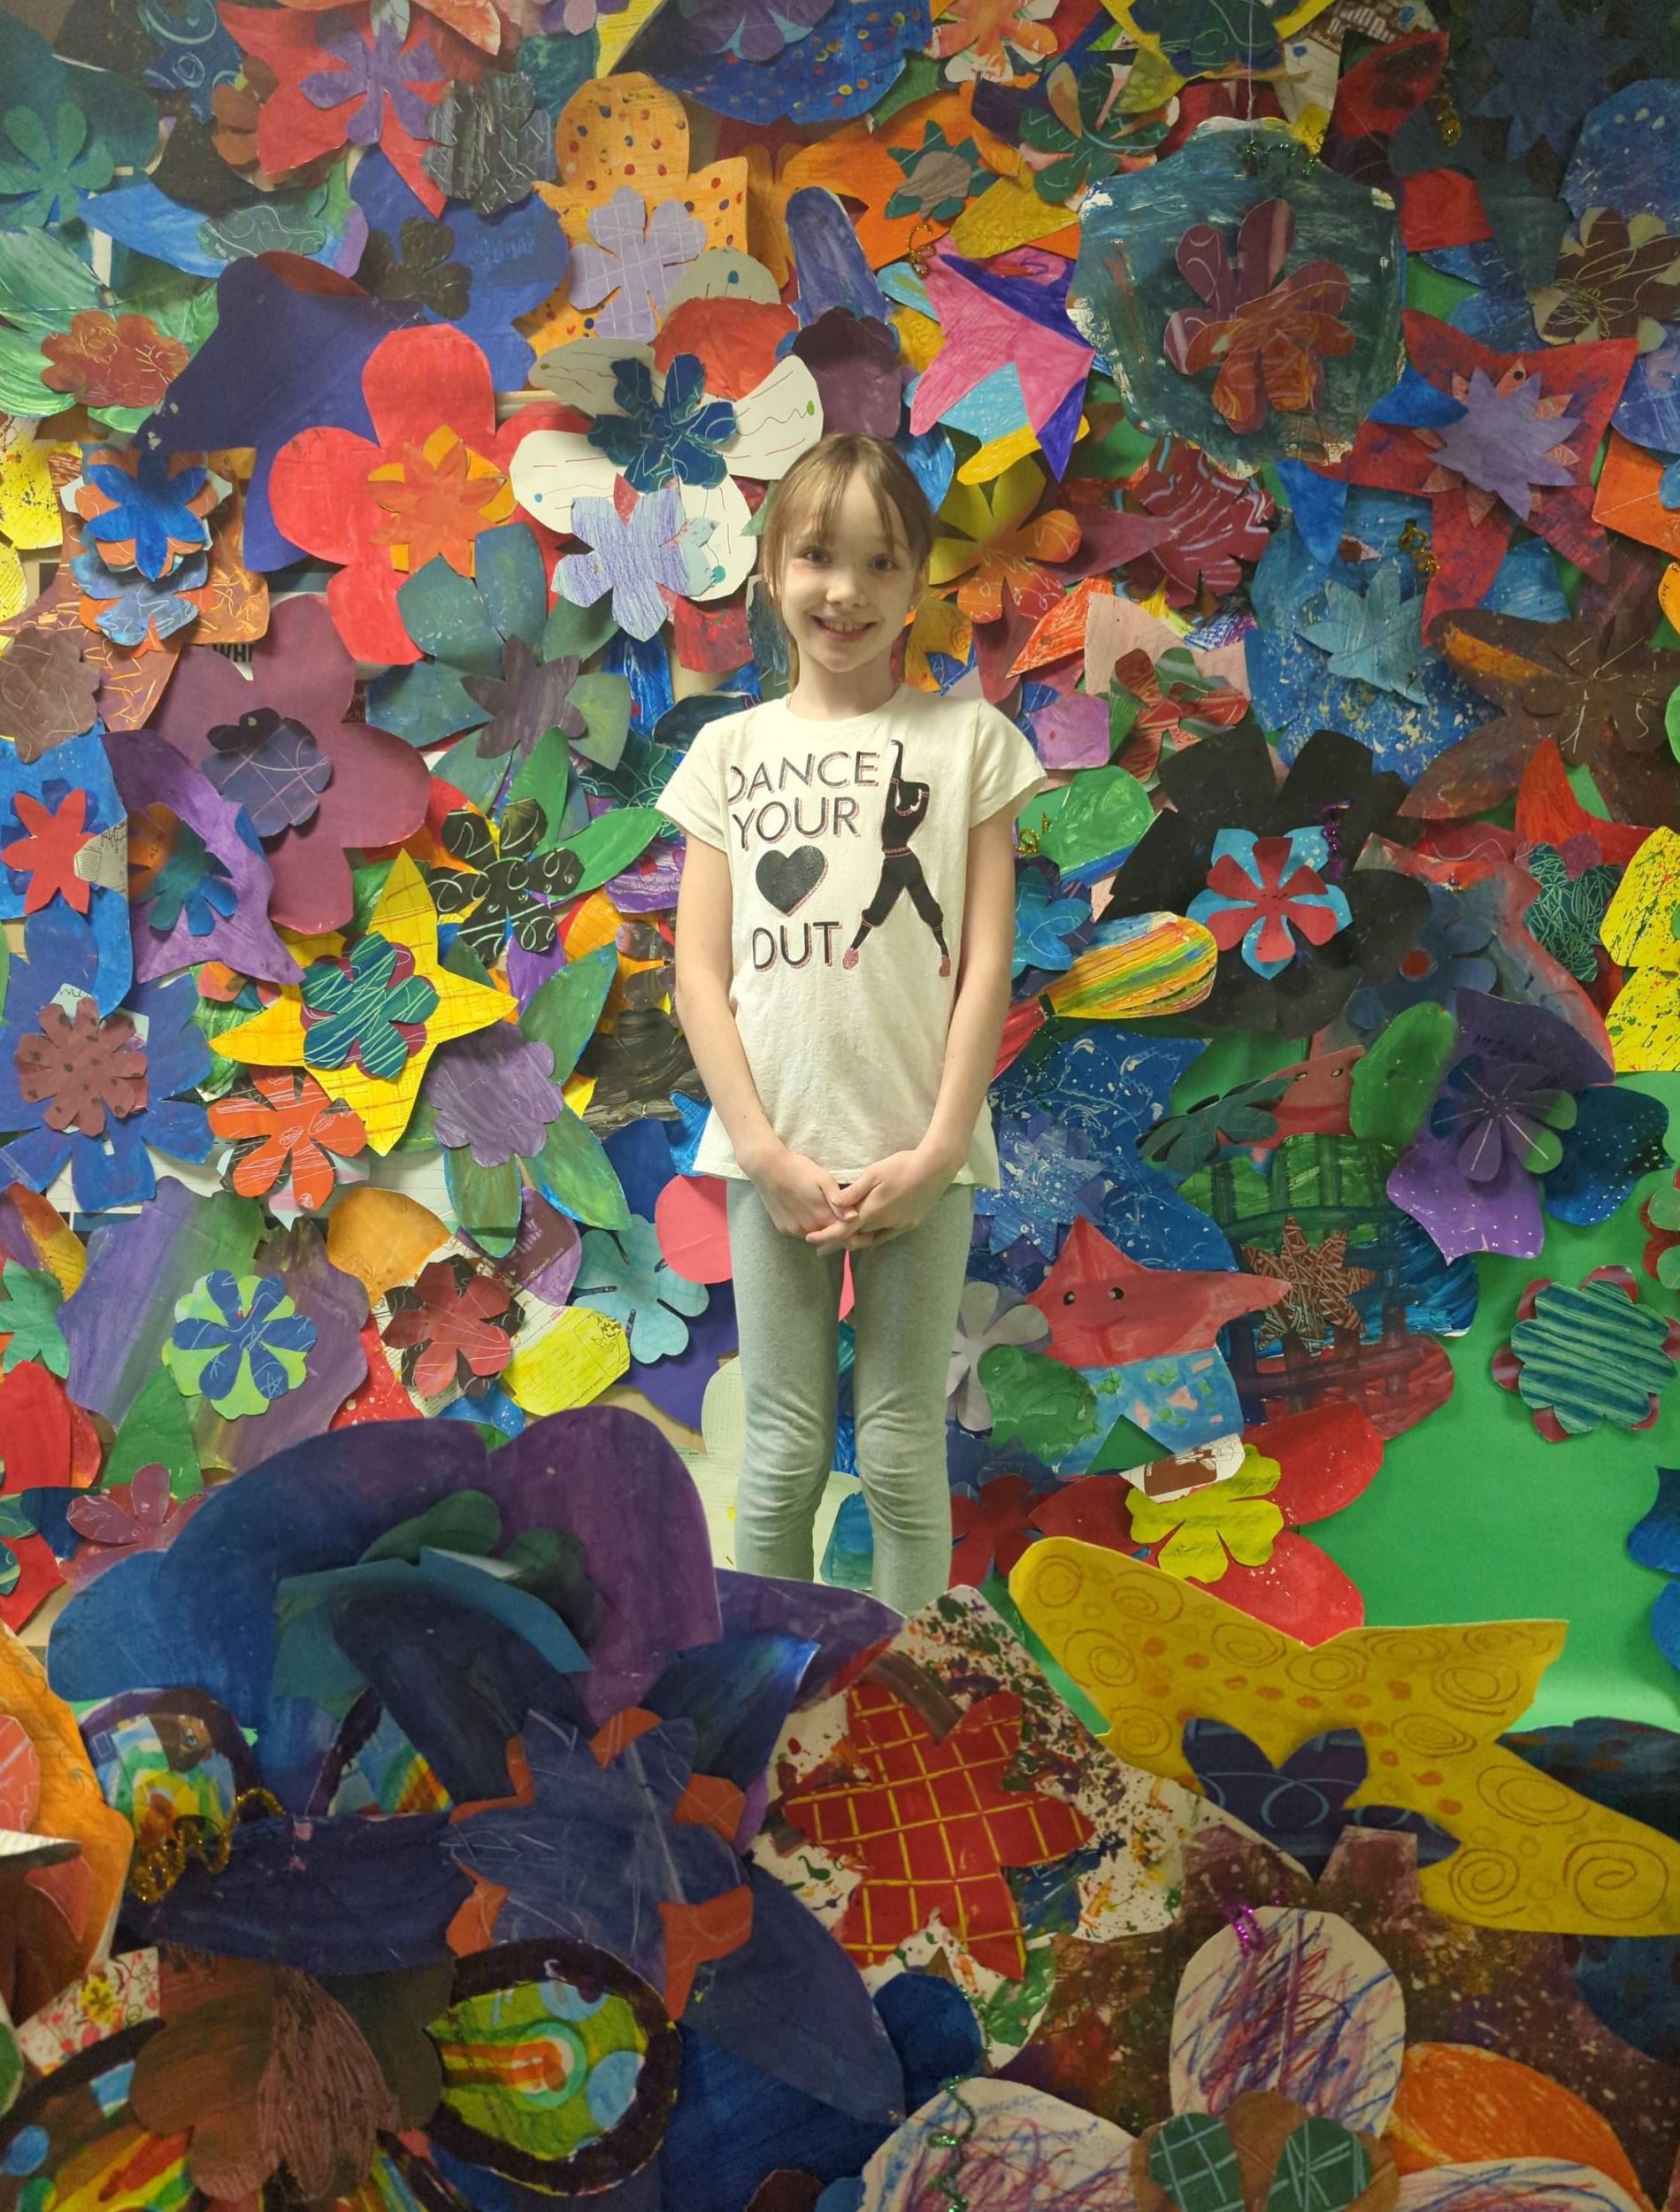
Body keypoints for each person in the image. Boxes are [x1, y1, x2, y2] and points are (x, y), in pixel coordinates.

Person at [660, 432, 1047, 1617]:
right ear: (770, 570)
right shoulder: (728, 751)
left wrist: (937, 1152)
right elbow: (698, 974)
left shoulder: (969, 742)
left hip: (920, 1155)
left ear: (919, 580)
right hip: (769, 1155)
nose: (847, 591)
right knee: (779, 1453)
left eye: (881, 563)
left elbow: (986, 964)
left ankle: (910, 1687)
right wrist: (762, 1151)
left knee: (896, 1447)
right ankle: (768, 1693)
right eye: (819, 557)